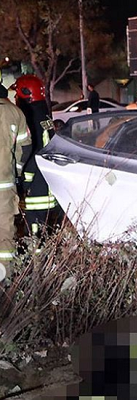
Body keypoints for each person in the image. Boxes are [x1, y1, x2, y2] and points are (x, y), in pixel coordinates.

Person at [10, 75, 60, 237]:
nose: (15, 98)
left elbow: (33, 151)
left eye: (17, 94)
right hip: (46, 186)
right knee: (44, 233)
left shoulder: (30, 118)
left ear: (26, 94)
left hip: (35, 191)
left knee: (35, 236)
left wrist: (24, 182)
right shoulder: (44, 115)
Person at [0, 83, 32, 281]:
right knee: (4, 236)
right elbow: (25, 148)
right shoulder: (15, 112)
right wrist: (16, 172)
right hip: (4, 188)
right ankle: (5, 283)